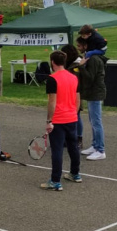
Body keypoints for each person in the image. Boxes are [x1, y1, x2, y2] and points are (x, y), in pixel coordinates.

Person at [41, 50, 82, 191]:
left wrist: (49, 120)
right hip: (72, 118)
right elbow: (78, 99)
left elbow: (52, 102)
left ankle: (55, 180)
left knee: (57, 150)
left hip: (58, 119)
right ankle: (75, 174)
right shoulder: (74, 77)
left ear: (52, 62)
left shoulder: (52, 79)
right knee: (73, 147)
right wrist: (73, 113)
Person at [77, 40, 107, 160]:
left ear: (86, 46)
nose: (78, 48)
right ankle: (95, 146)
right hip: (92, 93)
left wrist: (81, 67)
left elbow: (90, 78)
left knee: (96, 122)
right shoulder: (89, 57)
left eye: (79, 46)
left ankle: (100, 150)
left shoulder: (93, 59)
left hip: (95, 93)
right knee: (93, 121)